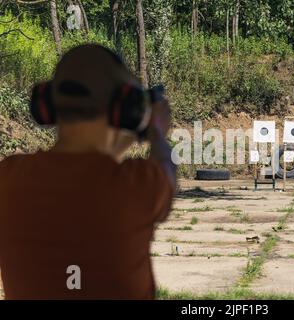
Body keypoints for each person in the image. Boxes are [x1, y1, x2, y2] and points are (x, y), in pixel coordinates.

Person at [0, 44, 176, 299]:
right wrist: (156, 131)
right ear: (125, 109)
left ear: (47, 104)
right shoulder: (135, 186)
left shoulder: (8, 179)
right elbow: (166, 169)